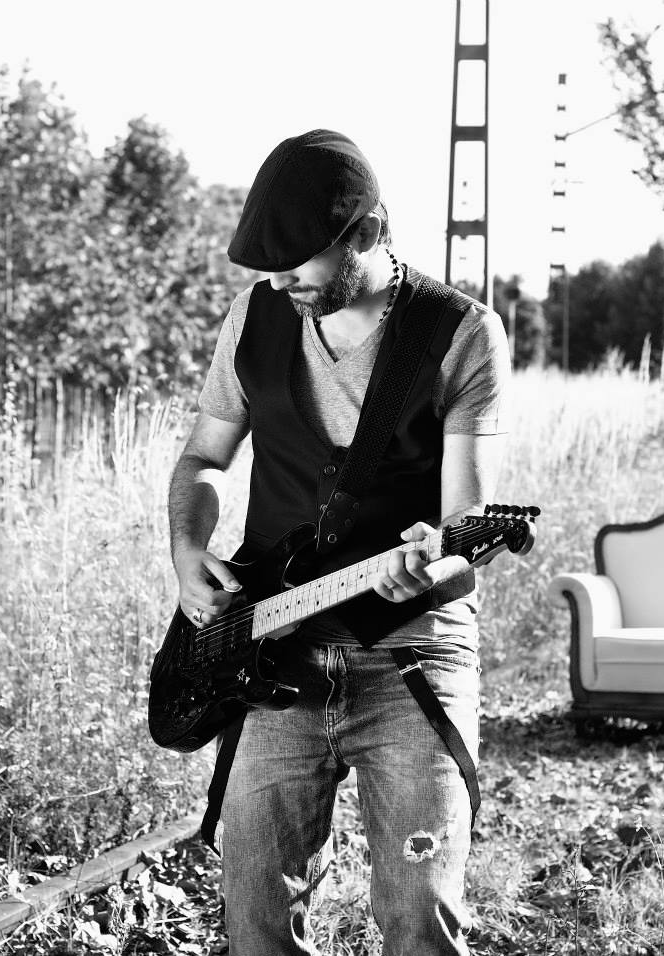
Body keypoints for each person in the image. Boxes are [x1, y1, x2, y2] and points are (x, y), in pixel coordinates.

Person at [167, 129, 510, 956]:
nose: (279, 282)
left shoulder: (461, 333)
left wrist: (434, 565)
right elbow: (203, 458)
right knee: (255, 922)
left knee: (421, 921)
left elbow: (464, 530)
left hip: (411, 657)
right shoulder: (253, 317)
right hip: (269, 649)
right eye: (268, 269)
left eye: (298, 265)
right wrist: (186, 550)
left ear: (369, 232)